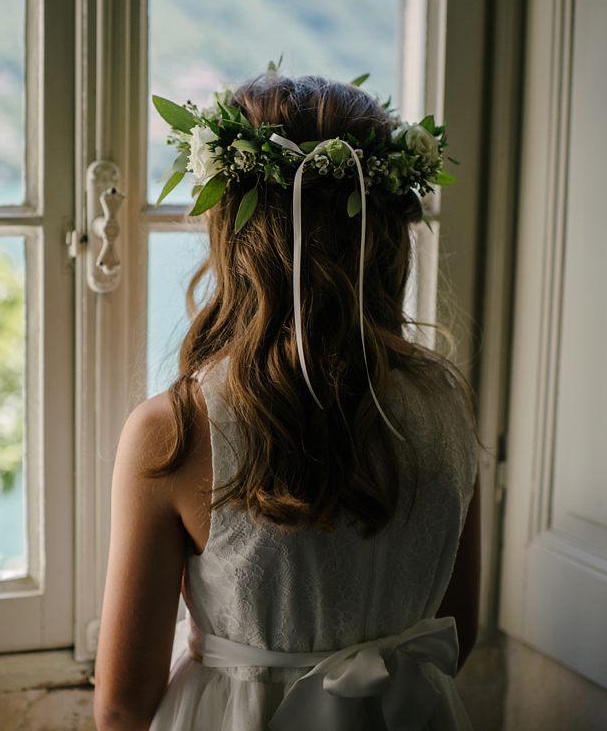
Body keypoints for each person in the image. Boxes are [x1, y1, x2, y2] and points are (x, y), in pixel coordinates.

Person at [94, 73, 481, 731]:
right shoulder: (447, 402)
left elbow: (123, 703)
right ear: (385, 228)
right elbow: (459, 631)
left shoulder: (175, 430)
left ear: (234, 231)